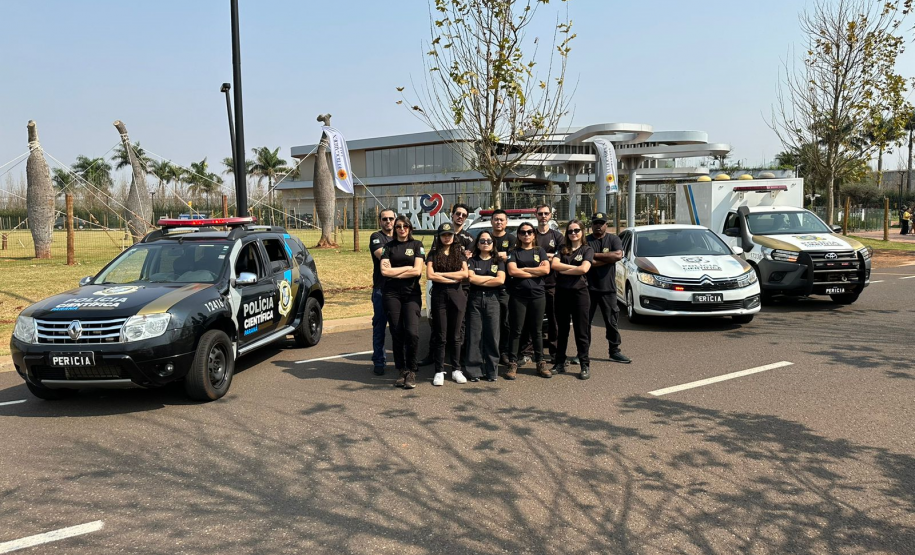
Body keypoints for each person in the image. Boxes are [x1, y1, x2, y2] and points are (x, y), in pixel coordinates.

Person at [418, 203, 474, 367]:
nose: (460, 217)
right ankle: (433, 355)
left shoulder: (469, 239)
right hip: (440, 286)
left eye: (464, 215)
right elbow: (432, 265)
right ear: (452, 214)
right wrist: (445, 276)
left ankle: (459, 359)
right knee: (438, 324)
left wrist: (444, 275)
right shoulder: (439, 236)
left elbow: (466, 265)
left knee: (460, 325)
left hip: (461, 287)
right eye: (458, 213)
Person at [380, 216, 426, 389]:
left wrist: (395, 271)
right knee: (396, 331)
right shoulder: (388, 247)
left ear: (410, 228)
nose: (401, 229)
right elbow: (384, 272)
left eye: (405, 226)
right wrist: (407, 268)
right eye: (398, 226)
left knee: (412, 332)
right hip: (391, 294)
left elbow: (417, 271)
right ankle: (402, 370)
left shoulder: (417, 245)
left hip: (411, 294)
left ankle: (412, 369)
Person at [506, 221, 552, 379]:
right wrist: (535, 271)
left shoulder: (540, 251)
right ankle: (513, 363)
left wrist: (524, 269)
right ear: (518, 235)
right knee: (516, 330)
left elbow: (546, 270)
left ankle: (540, 362)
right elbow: (512, 271)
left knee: (537, 331)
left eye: (529, 232)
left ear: (534, 235)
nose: (526, 235)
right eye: (522, 232)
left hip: (538, 295)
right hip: (519, 296)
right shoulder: (514, 252)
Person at [426, 222, 470, 386]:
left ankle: (456, 369)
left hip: (457, 295)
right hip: (439, 295)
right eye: (443, 235)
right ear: (439, 237)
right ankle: (439, 370)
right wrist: (451, 277)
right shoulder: (433, 253)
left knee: (456, 335)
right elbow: (430, 275)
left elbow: (464, 274)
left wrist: (442, 275)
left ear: (453, 236)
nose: (446, 237)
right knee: (441, 335)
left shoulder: (459, 252)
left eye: (449, 234)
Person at [550, 220, 594, 380]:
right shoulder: (562, 249)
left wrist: (565, 270)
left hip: (580, 294)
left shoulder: (587, 249)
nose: (573, 233)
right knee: (562, 331)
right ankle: (559, 363)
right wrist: (576, 269)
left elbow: (585, 269)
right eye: (570, 231)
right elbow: (554, 265)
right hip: (562, 293)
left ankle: (584, 364)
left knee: (581, 331)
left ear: (582, 231)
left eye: (576, 230)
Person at [585, 212, 630, 364]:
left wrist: (594, 255)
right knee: (584, 323)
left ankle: (614, 351)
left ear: (606, 225)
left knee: (611, 322)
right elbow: (586, 261)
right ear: (592, 225)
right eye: (595, 223)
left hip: (608, 289)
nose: (598, 225)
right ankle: (582, 353)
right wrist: (608, 259)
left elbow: (618, 256)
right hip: (588, 289)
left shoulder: (613, 239)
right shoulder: (586, 240)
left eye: (601, 223)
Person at [464, 230, 506, 381]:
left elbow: (500, 280)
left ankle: (491, 371)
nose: (485, 243)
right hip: (475, 299)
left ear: (493, 243)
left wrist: (480, 279)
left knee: (492, 336)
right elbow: (470, 278)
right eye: (482, 241)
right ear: (477, 244)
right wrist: (490, 279)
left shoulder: (498, 261)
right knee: (474, 335)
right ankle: (474, 371)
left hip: (492, 299)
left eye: (489, 241)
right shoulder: (472, 261)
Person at [534, 204, 564, 362]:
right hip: (533, 284)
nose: (543, 216)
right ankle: (530, 352)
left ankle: (554, 352)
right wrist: (549, 256)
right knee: (533, 321)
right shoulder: (530, 234)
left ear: (550, 215)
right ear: (536, 215)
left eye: (546, 213)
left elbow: (561, 257)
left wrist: (540, 256)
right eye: (540, 213)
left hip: (552, 284)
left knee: (554, 320)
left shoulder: (557, 236)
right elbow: (525, 255)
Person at [369, 209, 395, 375]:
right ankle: (379, 361)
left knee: (398, 327)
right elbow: (382, 256)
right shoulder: (376, 237)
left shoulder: (401, 237)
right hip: (381, 289)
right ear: (380, 221)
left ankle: (401, 362)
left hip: (398, 290)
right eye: (385, 219)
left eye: (391, 218)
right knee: (379, 327)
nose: (388, 221)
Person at [490, 209, 516, 366]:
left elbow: (512, 257)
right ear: (491, 221)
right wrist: (502, 256)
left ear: (506, 222)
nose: (498, 222)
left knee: (505, 321)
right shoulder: (486, 237)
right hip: (486, 285)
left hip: (506, 287)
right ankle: (489, 351)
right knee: (489, 322)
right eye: (496, 219)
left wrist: (491, 255)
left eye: (501, 219)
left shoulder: (512, 239)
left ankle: (504, 351)